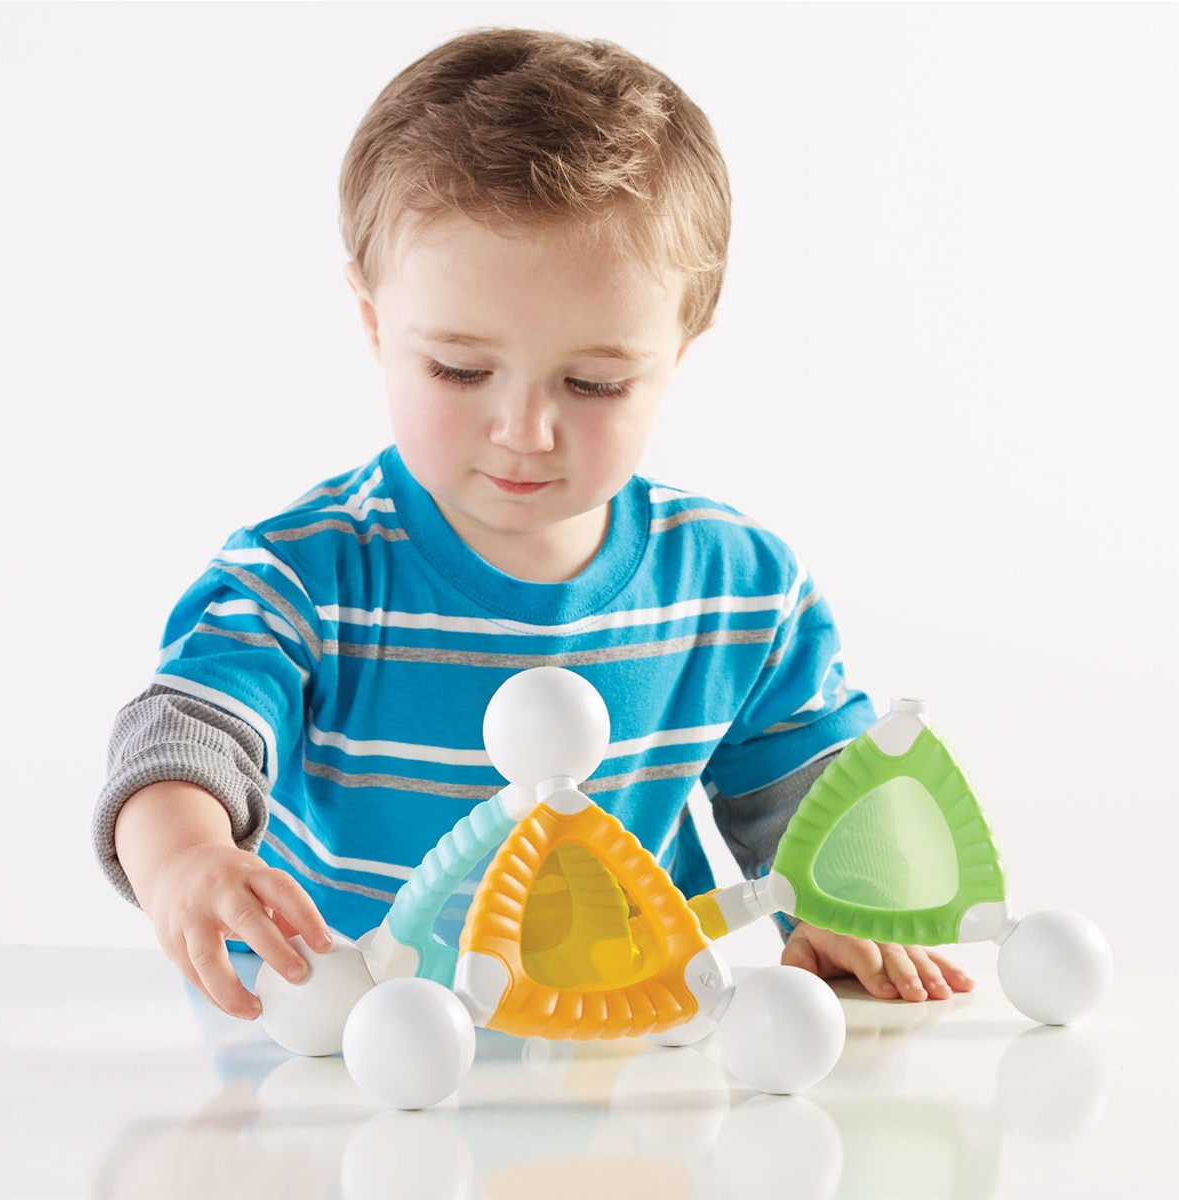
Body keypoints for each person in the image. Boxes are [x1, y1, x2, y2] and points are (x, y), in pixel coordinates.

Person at [94, 27, 972, 1024]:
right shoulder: (302, 574)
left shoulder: (738, 588)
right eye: (460, 370)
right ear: (375, 323)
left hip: (625, 1046)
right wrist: (186, 860)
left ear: (679, 351)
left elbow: (815, 795)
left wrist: (846, 905)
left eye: (593, 382)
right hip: (345, 1048)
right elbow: (182, 737)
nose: (524, 431)